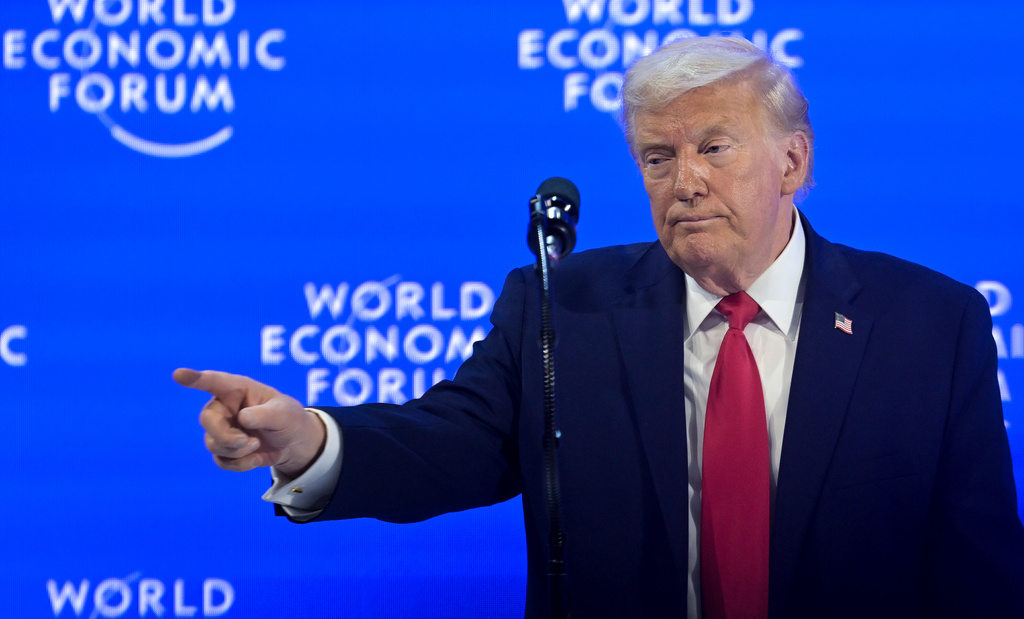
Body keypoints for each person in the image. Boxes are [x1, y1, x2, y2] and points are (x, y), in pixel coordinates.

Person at [176, 36, 1024, 618]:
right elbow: (451, 442)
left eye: (714, 148)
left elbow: (980, 568)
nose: (683, 180)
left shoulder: (928, 321)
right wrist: (309, 441)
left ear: (793, 161)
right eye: (658, 157)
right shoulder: (564, 305)